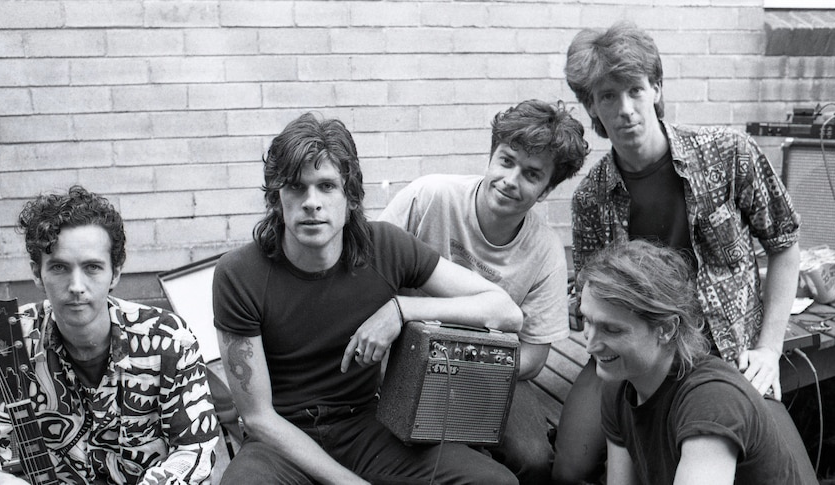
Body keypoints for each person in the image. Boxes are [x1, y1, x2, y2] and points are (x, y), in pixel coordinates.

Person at [212, 112, 524, 485]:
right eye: (296, 186)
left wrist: (402, 308)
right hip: (281, 442)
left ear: (351, 197)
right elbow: (259, 417)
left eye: (326, 186)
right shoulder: (239, 274)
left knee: (494, 482)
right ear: (277, 198)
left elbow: (505, 311)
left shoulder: (386, 248)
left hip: (365, 425)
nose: (311, 202)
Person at [552, 21, 802, 484]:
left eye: (635, 90)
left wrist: (769, 348)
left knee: (784, 467)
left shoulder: (729, 153)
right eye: (608, 96)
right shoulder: (591, 196)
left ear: (657, 89)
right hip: (640, 352)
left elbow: (784, 244)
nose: (625, 109)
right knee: (568, 465)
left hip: (727, 354)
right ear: (591, 106)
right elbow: (588, 288)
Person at [379, 98, 588, 484]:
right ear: (491, 157)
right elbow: (371, 271)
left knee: (535, 458)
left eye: (531, 174)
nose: (511, 180)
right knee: (400, 439)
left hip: (490, 373)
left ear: (545, 190)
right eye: (506, 161)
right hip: (401, 357)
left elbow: (535, 357)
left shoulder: (546, 253)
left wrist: (465, 368)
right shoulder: (429, 197)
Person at [0, 186, 220, 485]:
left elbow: (193, 449)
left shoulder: (167, 339)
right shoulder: (3, 341)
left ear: (115, 273)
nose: (76, 285)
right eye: (60, 267)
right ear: (37, 274)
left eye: (92, 267)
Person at [578, 240, 816, 484]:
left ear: (666, 329)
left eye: (612, 330)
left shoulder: (710, 402)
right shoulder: (619, 380)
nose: (590, 345)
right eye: (586, 320)